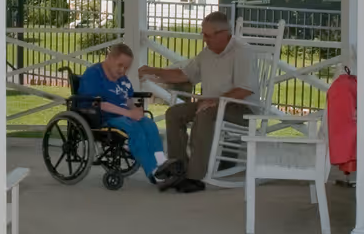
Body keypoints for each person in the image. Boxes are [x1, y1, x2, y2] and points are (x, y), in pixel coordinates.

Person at [139, 10, 257, 193]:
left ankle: (195, 177)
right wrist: (152, 70)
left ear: (224, 34)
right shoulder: (207, 53)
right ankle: (178, 168)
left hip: (241, 108)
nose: (205, 40)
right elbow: (183, 75)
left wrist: (216, 101)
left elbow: (245, 89)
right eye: (203, 35)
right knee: (174, 113)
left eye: (208, 35)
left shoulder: (243, 52)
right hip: (212, 103)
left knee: (205, 113)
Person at [76, 42, 163, 183]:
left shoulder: (122, 78)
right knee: (136, 131)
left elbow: (127, 99)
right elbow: (99, 104)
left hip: (123, 115)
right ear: (109, 58)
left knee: (150, 125)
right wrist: (128, 114)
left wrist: (134, 109)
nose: (123, 70)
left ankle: (161, 163)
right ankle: (152, 171)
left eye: (126, 67)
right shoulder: (94, 74)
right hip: (104, 117)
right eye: (120, 65)